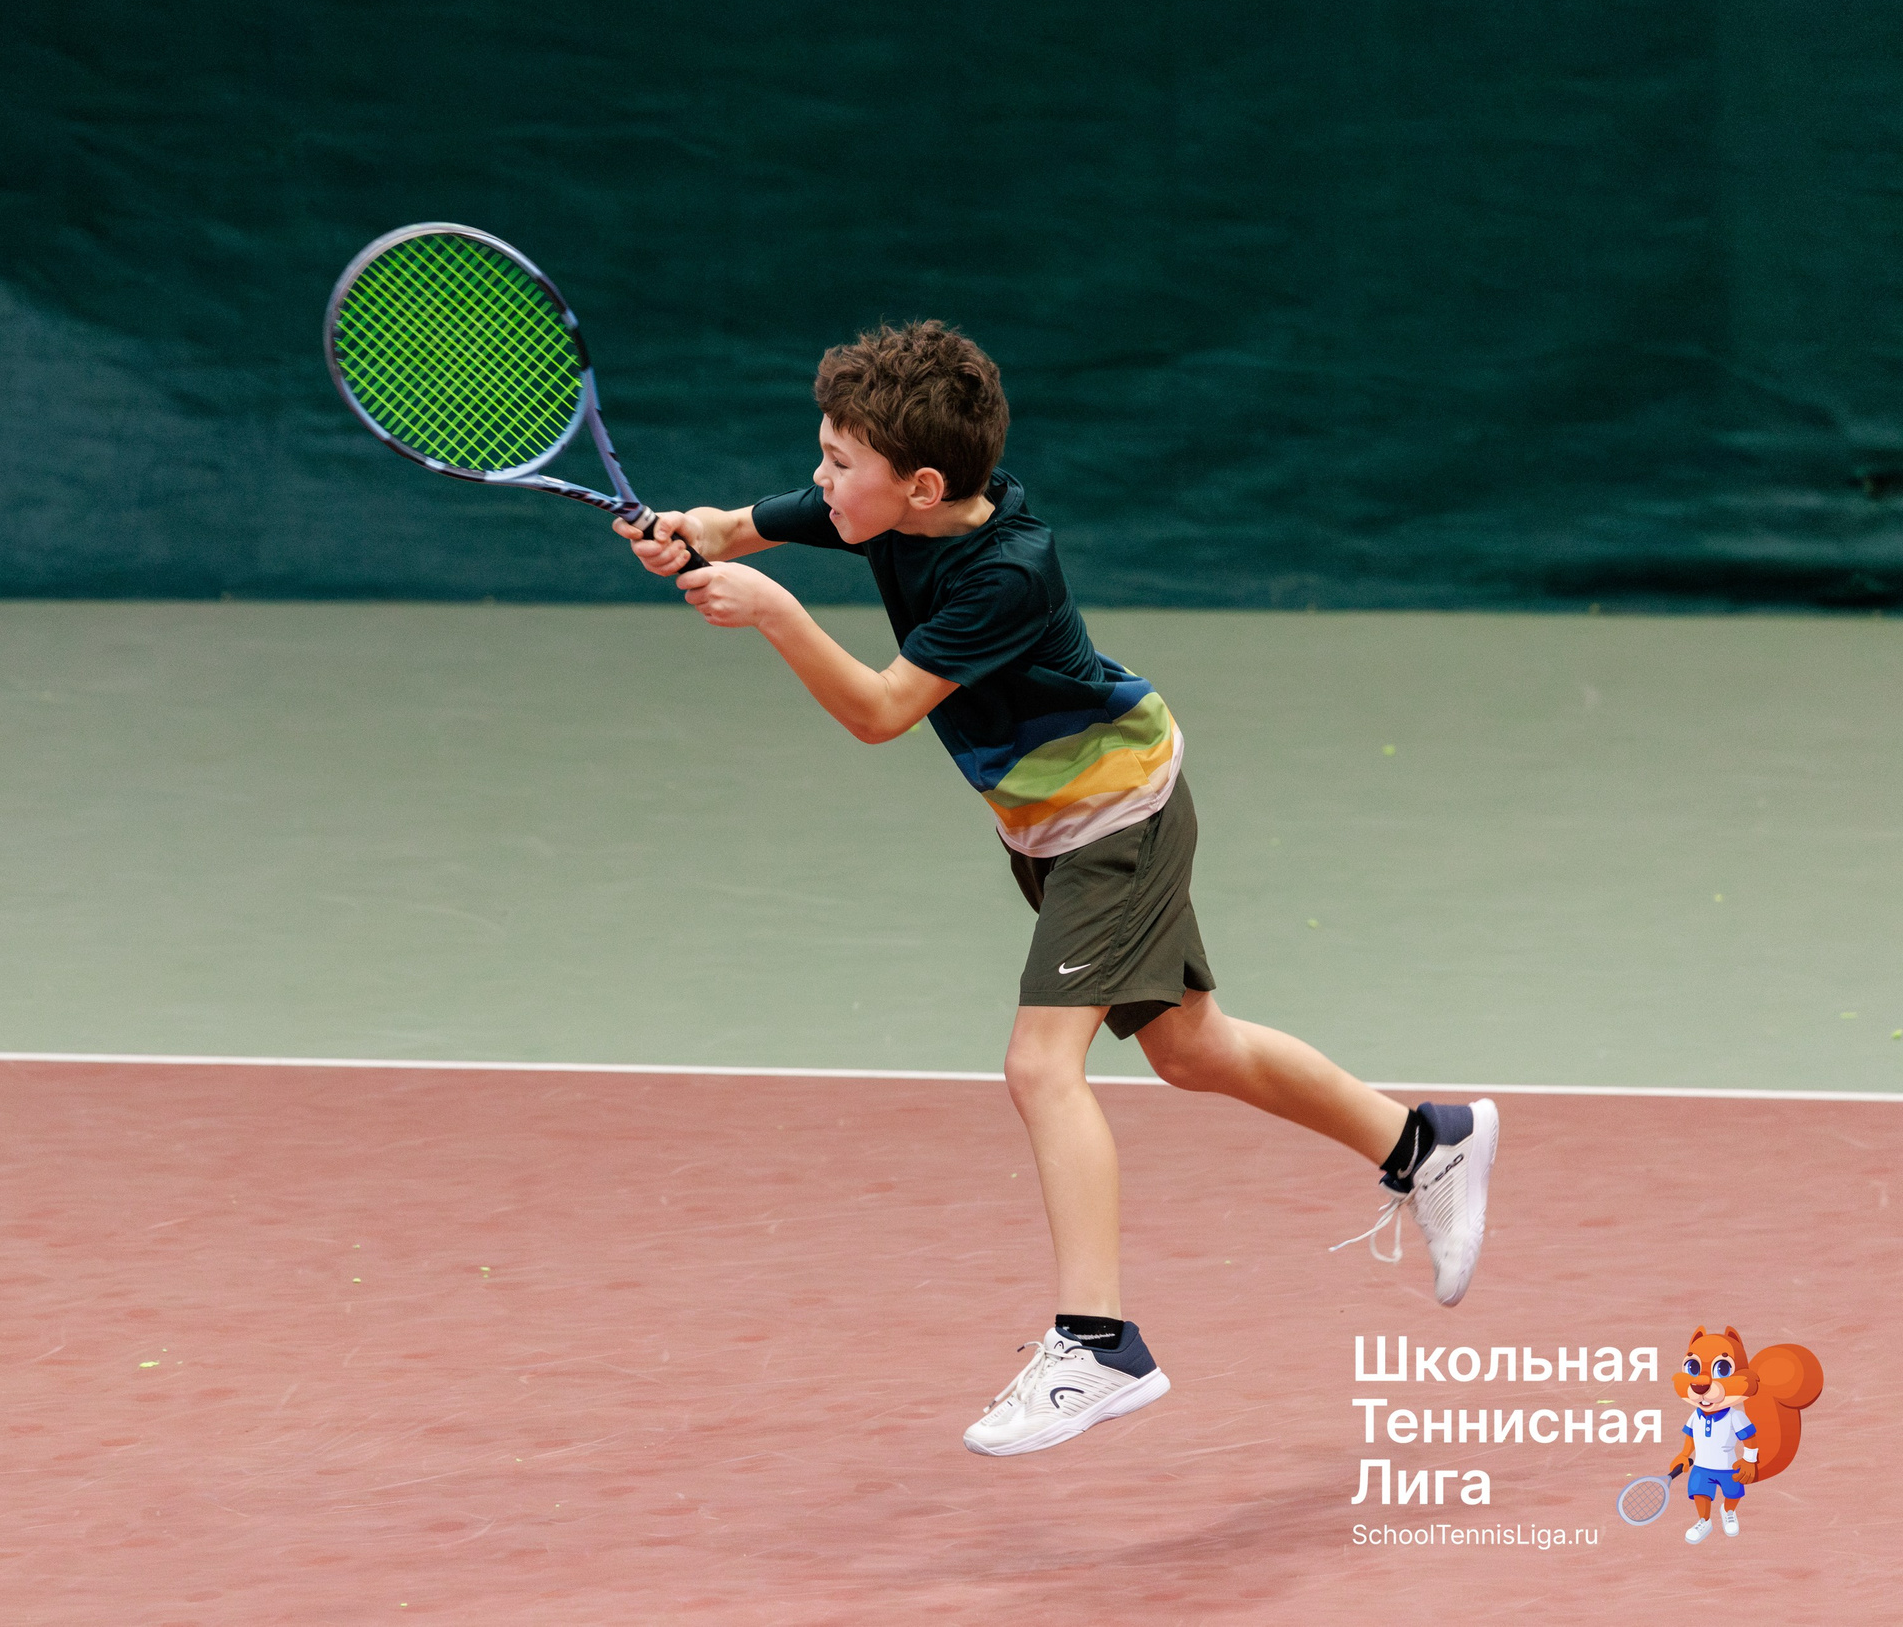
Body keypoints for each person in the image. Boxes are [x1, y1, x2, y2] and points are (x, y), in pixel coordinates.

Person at [615, 320, 1498, 1458]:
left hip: (1109, 817)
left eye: (840, 463)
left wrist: (774, 612)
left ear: (921, 485)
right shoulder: (883, 506)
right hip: (1055, 818)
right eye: (824, 456)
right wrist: (687, 537)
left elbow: (881, 712)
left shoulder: (1004, 573)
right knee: (1191, 1049)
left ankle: (1099, 1343)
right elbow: (738, 525)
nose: (821, 481)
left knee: (1040, 1065)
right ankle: (1427, 1144)